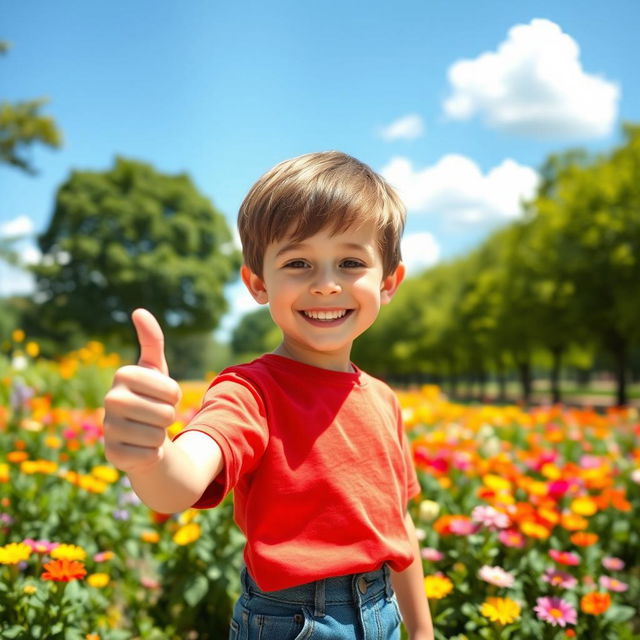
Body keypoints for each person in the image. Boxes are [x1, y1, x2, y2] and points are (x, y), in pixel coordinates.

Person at [103, 151, 434, 640]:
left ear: (388, 283)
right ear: (258, 282)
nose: (326, 285)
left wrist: (423, 632)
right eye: (298, 262)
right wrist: (150, 456)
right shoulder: (249, 393)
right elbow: (178, 484)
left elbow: (399, 526)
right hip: (294, 622)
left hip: (384, 610)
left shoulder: (384, 399)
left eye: (350, 262)